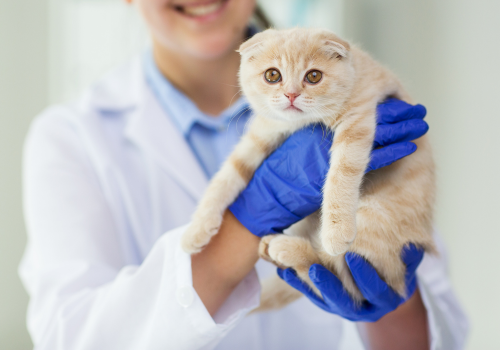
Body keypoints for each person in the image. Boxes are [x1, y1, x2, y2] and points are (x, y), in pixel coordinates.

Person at [19, 0, 468, 349]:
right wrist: (248, 215)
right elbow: (72, 337)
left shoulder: (352, 87)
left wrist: (395, 303)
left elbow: (439, 331)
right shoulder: (71, 139)